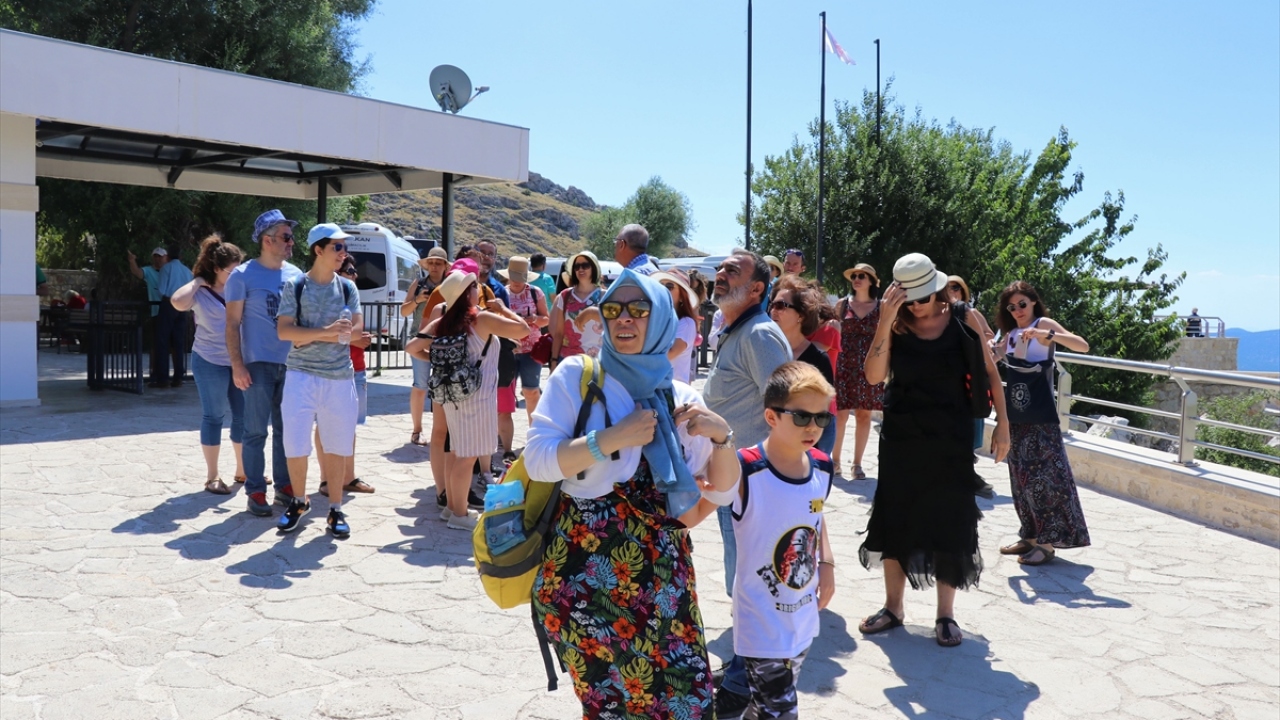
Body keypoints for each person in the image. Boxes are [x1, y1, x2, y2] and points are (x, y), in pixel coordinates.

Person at [525, 269, 740, 719]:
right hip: (585, 577)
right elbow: (539, 460)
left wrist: (722, 439)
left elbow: (723, 491)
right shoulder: (578, 377)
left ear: (660, 318)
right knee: (612, 709)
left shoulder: (680, 396)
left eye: (639, 310)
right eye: (614, 309)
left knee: (689, 702)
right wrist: (611, 438)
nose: (625, 319)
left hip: (664, 581)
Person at [856, 253, 1010, 648]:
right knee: (894, 516)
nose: (915, 306)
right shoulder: (896, 322)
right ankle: (894, 607)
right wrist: (886, 321)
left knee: (950, 519)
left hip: (951, 436)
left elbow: (991, 373)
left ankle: (945, 614)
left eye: (921, 298)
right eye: (907, 299)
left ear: (937, 289)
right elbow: (874, 377)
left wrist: (1004, 427)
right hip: (901, 436)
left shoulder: (964, 317)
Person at [687, 361, 837, 720]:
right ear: (771, 416)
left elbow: (814, 516)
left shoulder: (821, 465)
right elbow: (692, 515)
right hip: (760, 623)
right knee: (781, 712)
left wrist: (827, 564)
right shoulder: (745, 469)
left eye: (822, 418)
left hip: (801, 618)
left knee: (764, 708)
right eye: (801, 417)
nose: (813, 427)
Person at [702, 250, 791, 718]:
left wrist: (769, 474)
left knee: (752, 584)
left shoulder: (759, 334)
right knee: (742, 581)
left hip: (751, 483)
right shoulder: (737, 329)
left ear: (757, 289)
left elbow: (788, 404)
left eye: (732, 271)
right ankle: (741, 666)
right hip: (732, 478)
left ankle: (741, 684)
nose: (720, 274)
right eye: (720, 269)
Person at [423, 268, 531, 530]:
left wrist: (445, 362)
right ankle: (460, 515)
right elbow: (523, 329)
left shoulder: (445, 322)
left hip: (454, 395)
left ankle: (452, 508)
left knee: (458, 453)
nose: (478, 290)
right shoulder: (481, 319)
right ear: (465, 294)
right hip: (477, 396)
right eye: (473, 287)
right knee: (466, 457)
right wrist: (504, 309)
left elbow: (412, 347)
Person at [274, 223, 362, 538]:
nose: (343, 253)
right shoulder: (295, 286)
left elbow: (355, 332)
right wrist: (326, 333)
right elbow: (285, 331)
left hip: (339, 378)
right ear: (318, 250)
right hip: (300, 376)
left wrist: (315, 335)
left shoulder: (349, 288)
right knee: (295, 443)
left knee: (337, 444)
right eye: (337, 247)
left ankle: (336, 508)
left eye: (344, 247)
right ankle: (299, 502)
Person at [995, 281, 1091, 566]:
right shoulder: (1011, 333)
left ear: (1033, 302)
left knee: (1046, 481)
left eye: (1022, 304)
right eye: (1012, 307)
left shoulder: (1042, 324)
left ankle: (1047, 544)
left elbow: (1082, 346)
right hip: (1017, 416)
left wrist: (1046, 334)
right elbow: (997, 358)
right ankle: (1030, 536)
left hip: (1041, 417)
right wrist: (993, 348)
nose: (1018, 311)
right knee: (1021, 479)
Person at [226, 209, 306, 517]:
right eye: (286, 237)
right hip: (257, 363)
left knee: (287, 430)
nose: (291, 242)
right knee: (255, 431)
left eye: (291, 236)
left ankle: (284, 486)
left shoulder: (297, 274)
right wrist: (237, 365)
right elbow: (232, 323)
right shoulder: (242, 275)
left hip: (293, 364)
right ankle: (255, 490)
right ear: (267, 240)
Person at [169, 234, 246, 494]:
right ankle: (212, 476)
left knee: (243, 417)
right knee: (214, 416)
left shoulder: (242, 289)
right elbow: (177, 302)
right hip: (209, 360)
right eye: (231, 270)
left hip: (239, 361)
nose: (237, 275)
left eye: (240, 269)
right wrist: (199, 281)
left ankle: (242, 469)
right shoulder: (200, 292)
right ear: (216, 269)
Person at [317, 256, 376, 497]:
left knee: (350, 426)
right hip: (330, 370)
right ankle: (325, 480)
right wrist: (355, 338)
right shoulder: (324, 300)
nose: (355, 275)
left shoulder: (352, 299)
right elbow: (321, 335)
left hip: (356, 368)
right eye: (350, 270)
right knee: (324, 425)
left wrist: (361, 338)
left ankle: (347, 477)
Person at [769, 276, 838, 457]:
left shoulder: (818, 359)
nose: (773, 311)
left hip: (809, 441)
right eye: (772, 305)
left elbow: (822, 409)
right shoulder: (766, 351)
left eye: (781, 306)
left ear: (800, 316)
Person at [946, 274, 999, 498]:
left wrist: (988, 345)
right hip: (946, 380)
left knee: (967, 430)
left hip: (969, 378)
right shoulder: (938, 314)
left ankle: (966, 475)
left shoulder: (969, 313)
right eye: (948, 287)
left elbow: (987, 335)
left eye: (956, 287)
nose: (952, 291)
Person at [833, 263, 885, 481]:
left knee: (864, 416)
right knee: (841, 415)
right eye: (854, 275)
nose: (857, 278)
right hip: (844, 365)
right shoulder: (842, 304)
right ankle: (834, 461)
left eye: (862, 276)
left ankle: (857, 464)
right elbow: (833, 333)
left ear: (871, 281)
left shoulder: (882, 307)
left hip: (870, 367)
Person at [402, 246, 448, 446]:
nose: (434, 266)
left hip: (443, 341)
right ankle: (417, 430)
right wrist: (417, 300)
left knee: (443, 386)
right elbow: (404, 311)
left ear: (445, 266)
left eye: (438, 263)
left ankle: (443, 430)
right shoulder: (419, 284)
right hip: (419, 339)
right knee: (420, 385)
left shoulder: (450, 285)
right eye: (431, 263)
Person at [498, 256, 549, 427]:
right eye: (514, 277)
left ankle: (534, 430)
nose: (517, 282)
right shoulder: (501, 293)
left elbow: (546, 319)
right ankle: (502, 434)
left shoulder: (535, 293)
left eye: (521, 278)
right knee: (504, 394)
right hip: (508, 351)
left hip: (531, 351)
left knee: (531, 391)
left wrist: (534, 319)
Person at [550, 250, 604, 366]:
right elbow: (559, 333)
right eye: (577, 266)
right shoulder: (565, 296)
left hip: (597, 362)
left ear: (594, 268)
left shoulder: (605, 296)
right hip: (567, 360)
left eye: (585, 265)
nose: (580, 269)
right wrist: (554, 361)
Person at [153, 244, 194, 388]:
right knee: (178, 342)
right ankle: (178, 377)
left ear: (168, 256)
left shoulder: (166, 269)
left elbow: (162, 290)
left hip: (168, 304)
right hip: (183, 307)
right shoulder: (188, 272)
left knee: (163, 341)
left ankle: (163, 378)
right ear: (181, 256)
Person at [652, 269, 701, 384]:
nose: (663, 289)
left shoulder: (686, 323)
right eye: (660, 285)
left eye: (669, 286)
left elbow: (668, 354)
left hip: (674, 392)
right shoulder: (656, 320)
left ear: (681, 297)